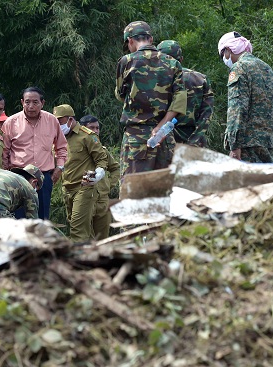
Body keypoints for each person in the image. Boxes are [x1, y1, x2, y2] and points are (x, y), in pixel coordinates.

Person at [115, 21, 187, 178]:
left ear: (130, 41)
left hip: (136, 138)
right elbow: (179, 101)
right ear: (151, 39)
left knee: (133, 192)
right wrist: (161, 127)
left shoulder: (126, 61)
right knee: (164, 193)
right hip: (164, 137)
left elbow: (121, 94)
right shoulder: (173, 63)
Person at [2, 87, 68, 220]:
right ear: (22, 102)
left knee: (42, 217)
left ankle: (40, 241)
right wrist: (6, 175)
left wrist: (59, 168)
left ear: (42, 103)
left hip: (43, 177)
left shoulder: (52, 120)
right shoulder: (11, 122)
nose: (31, 106)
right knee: (18, 218)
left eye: (35, 102)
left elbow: (61, 147)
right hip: (18, 177)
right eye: (27, 102)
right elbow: (4, 152)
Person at [218, 31, 273, 162]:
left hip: (246, 145)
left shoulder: (239, 68)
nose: (224, 58)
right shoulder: (267, 68)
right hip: (266, 142)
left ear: (228, 50)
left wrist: (234, 145)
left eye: (223, 54)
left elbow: (237, 109)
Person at [53, 105, 109, 241]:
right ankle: (93, 259)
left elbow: (102, 159)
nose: (56, 125)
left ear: (70, 120)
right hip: (67, 189)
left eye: (59, 121)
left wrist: (98, 175)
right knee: (83, 230)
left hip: (84, 188)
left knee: (77, 230)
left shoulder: (87, 136)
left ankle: (79, 260)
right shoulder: (57, 138)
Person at [156, 40, 214, 147]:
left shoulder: (153, 80)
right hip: (193, 140)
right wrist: (195, 141)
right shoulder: (200, 79)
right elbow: (206, 114)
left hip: (162, 141)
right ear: (181, 59)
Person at [80, 115, 121, 239]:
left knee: (102, 239)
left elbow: (116, 169)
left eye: (97, 128)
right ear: (83, 130)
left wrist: (109, 183)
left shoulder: (103, 151)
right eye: (92, 128)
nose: (96, 131)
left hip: (102, 199)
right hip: (82, 198)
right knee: (84, 237)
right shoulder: (74, 151)